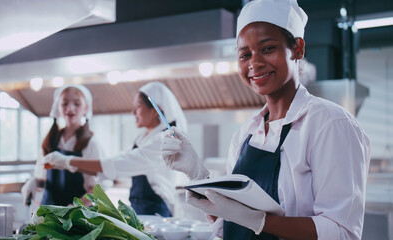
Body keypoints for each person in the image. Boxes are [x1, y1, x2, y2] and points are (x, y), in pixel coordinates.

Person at [160, 0, 371, 239]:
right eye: (245, 54)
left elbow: (342, 232)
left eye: (268, 48)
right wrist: (198, 176)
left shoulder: (330, 124)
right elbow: (229, 223)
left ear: (298, 48)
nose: (255, 63)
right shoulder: (245, 134)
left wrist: (259, 220)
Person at [43, 81, 187, 217]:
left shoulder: (165, 140)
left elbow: (116, 165)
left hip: (157, 211)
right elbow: (111, 170)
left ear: (156, 111)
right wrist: (65, 164)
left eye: (138, 106)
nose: (133, 112)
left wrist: (69, 162)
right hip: (138, 210)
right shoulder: (141, 139)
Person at [21, 84, 102, 206]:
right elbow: (44, 175)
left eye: (76, 104)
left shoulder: (90, 142)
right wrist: (34, 182)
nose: (70, 108)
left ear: (86, 108)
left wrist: (76, 207)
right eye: (64, 103)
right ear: (57, 107)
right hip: (49, 210)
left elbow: (98, 188)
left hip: (77, 214)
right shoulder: (51, 140)